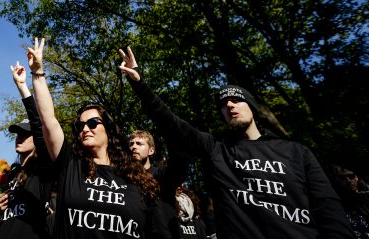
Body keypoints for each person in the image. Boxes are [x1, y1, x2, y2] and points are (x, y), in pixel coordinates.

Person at [118, 46, 354, 239]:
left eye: (236, 100)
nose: (229, 105)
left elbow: (329, 210)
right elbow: (173, 125)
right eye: (223, 104)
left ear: (251, 106)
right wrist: (140, 84)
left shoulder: (296, 152)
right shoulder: (217, 150)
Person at [27, 38, 171, 239]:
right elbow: (49, 120)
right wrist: (37, 74)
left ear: (109, 130)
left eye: (93, 123)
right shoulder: (71, 166)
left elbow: (158, 233)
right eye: (80, 125)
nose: (85, 128)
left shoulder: (138, 179)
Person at [0, 62, 53, 239]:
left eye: (25, 134)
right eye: (17, 133)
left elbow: (39, 123)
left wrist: (22, 87)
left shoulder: (42, 171)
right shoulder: (8, 176)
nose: (19, 137)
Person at [330, 164, 369, 237]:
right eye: (343, 178)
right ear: (337, 180)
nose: (348, 181)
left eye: (351, 177)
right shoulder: (333, 203)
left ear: (356, 178)